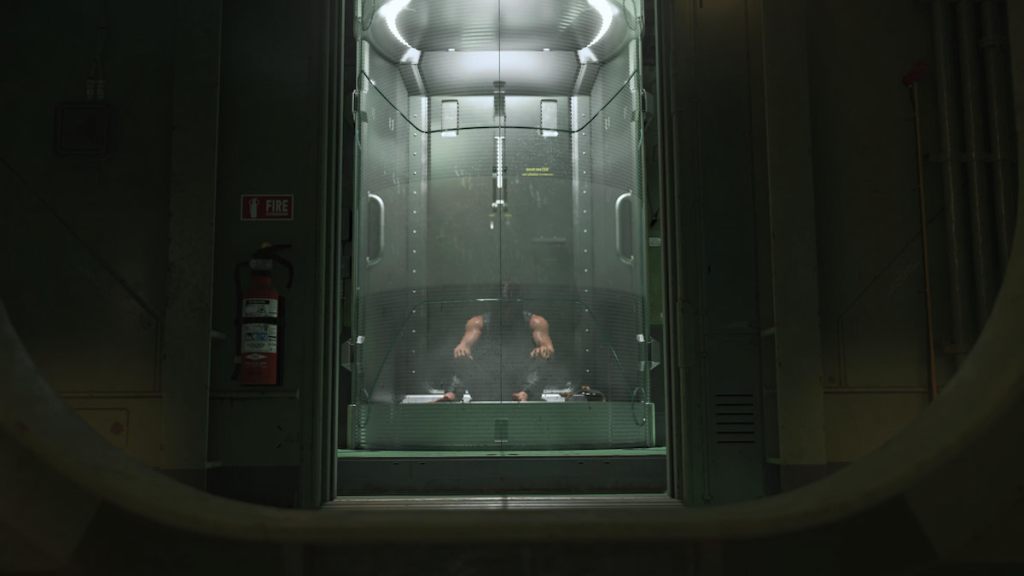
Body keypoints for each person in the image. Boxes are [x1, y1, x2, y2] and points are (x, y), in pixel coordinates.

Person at [436, 305, 554, 402]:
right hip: (486, 386)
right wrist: (463, 348)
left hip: (521, 383)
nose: (506, 310)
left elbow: (548, 347)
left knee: (543, 357)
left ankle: (525, 394)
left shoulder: (535, 322)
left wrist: (543, 349)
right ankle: (452, 394)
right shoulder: (478, 322)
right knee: (461, 357)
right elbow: (464, 345)